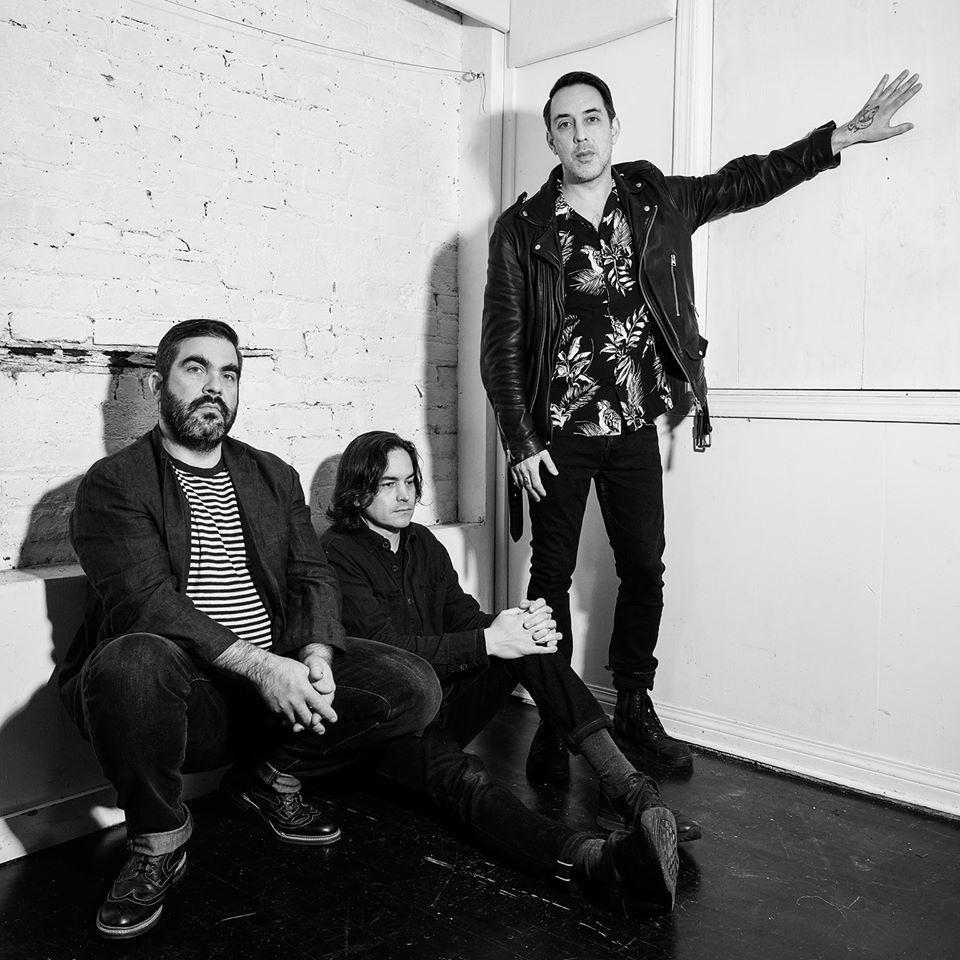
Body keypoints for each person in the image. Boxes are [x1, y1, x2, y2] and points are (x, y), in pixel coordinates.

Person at [479, 69, 921, 782]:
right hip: (557, 435)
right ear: (551, 138)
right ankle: (561, 720)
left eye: (592, 119)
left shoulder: (655, 201)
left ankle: (632, 705)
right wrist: (520, 441)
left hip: (633, 426)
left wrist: (835, 139)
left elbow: (742, 181)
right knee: (550, 580)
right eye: (565, 123)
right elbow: (500, 342)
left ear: (613, 127)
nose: (581, 135)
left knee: (643, 569)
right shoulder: (522, 229)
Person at [60, 319, 443, 940]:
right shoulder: (115, 482)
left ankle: (268, 778)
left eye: (229, 374)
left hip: (277, 687)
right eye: (196, 369)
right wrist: (265, 668)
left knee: (412, 684)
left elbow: (312, 575)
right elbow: (145, 604)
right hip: (185, 697)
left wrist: (314, 657)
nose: (215, 386)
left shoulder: (272, 475)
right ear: (157, 384)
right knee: (132, 659)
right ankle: (158, 843)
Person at [320, 432, 702, 895]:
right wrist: (490, 638)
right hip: (388, 734)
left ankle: (629, 791)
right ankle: (596, 861)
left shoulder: (423, 543)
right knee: (468, 779)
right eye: (387, 484)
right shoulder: (337, 554)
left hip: (442, 707)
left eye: (410, 481)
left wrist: (515, 625)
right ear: (357, 490)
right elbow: (390, 655)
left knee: (527, 644)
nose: (405, 495)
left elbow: (465, 618)